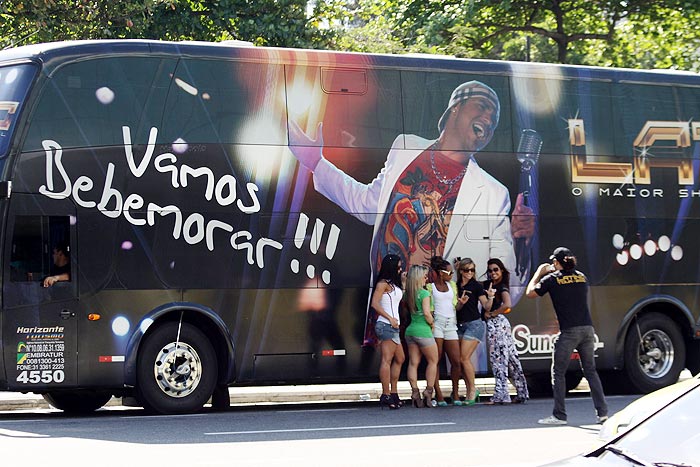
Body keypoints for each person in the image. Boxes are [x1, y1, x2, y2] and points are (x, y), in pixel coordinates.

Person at [287, 80, 535, 343]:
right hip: (390, 315)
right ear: (455, 108)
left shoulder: (493, 193)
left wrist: (521, 240)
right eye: (483, 107)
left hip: (440, 328)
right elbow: (369, 205)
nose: (489, 119)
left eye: (494, 120)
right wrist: (316, 163)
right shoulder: (405, 148)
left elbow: (504, 281)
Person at [526, 247, 609, 425]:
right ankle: (602, 414)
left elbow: (530, 293)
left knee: (558, 372)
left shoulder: (552, 279)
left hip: (569, 332)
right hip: (587, 329)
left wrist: (538, 273)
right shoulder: (581, 277)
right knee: (590, 371)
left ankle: (559, 415)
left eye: (554, 262)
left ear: (557, 262)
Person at [482, 258, 529, 404]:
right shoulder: (490, 285)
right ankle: (522, 392)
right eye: (490, 270)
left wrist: (492, 314)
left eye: (495, 269)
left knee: (499, 360)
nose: (492, 273)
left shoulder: (501, 287)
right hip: (501, 324)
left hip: (497, 324)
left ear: (501, 270)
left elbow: (507, 304)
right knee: (511, 358)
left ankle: (502, 395)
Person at [370, 254, 406, 409]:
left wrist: (403, 282)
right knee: (387, 359)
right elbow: (375, 304)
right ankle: (386, 394)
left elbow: (397, 299)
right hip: (386, 325)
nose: (400, 269)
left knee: (400, 358)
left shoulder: (393, 284)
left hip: (393, 326)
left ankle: (394, 392)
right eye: (398, 267)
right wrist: (389, 318)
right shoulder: (382, 284)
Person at [454, 257, 490, 405]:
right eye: (467, 270)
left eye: (472, 270)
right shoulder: (456, 285)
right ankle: (470, 389)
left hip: (474, 324)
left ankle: (472, 390)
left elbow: (486, 306)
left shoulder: (476, 286)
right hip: (460, 324)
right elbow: (456, 309)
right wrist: (460, 304)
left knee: (464, 358)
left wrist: (492, 297)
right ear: (460, 271)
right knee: (460, 361)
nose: (470, 272)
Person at [429, 256, 462, 406]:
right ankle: (439, 394)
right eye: (449, 272)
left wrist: (461, 304)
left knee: (456, 361)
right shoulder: (430, 287)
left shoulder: (453, 286)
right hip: (437, 324)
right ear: (441, 273)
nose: (451, 274)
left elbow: (455, 307)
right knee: (435, 360)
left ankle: (455, 393)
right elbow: (428, 308)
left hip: (451, 324)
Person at [404, 264, 438, 408]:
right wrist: (432, 323)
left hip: (410, 330)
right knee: (433, 361)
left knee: (413, 362)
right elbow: (426, 313)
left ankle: (415, 392)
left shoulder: (408, 294)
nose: (426, 278)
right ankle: (428, 392)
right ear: (418, 278)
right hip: (423, 330)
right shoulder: (424, 294)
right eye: (424, 276)